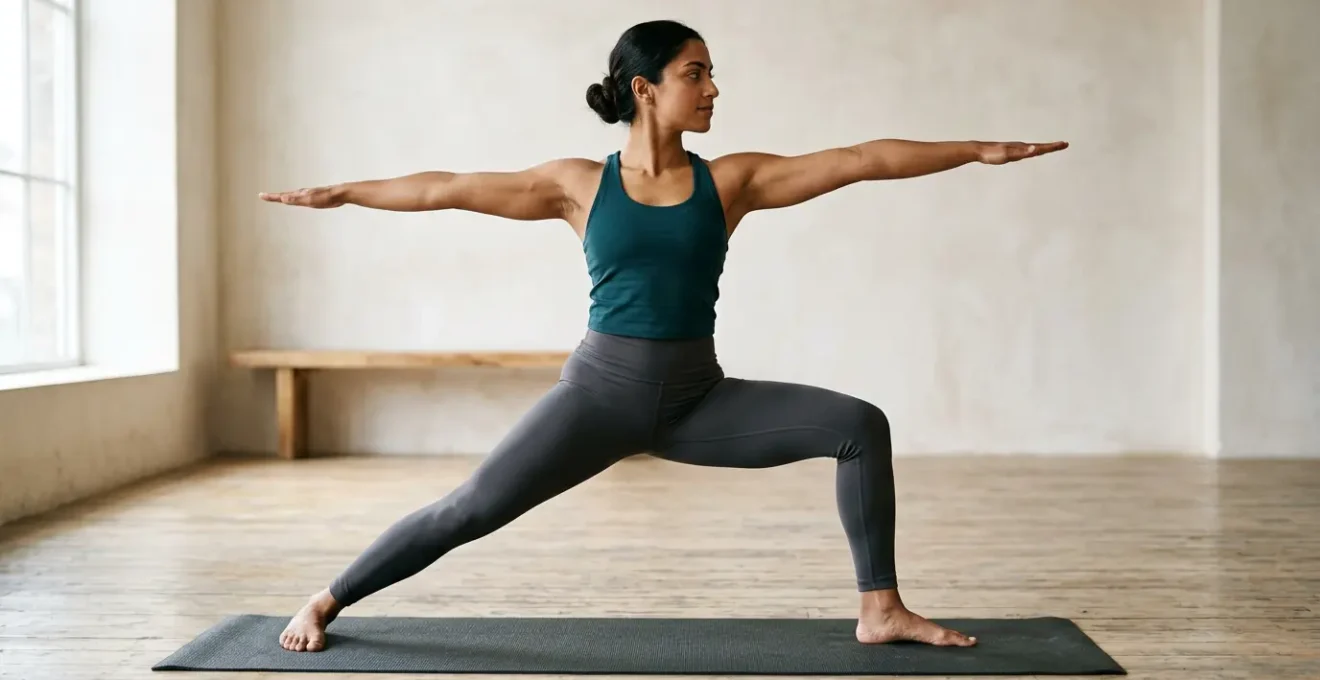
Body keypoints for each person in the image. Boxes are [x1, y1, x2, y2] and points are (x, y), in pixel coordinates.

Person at [260, 19, 1067, 654]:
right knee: (468, 511)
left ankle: (880, 609)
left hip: (695, 401)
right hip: (597, 398)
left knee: (860, 425)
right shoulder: (577, 185)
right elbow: (446, 187)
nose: (714, 88)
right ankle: (328, 598)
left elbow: (858, 159)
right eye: (697, 73)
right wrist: (346, 192)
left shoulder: (731, 181)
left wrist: (975, 151)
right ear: (645, 89)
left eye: (712, 73)